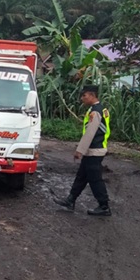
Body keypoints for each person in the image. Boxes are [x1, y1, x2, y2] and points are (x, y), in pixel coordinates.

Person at [53, 85, 112, 216]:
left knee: (95, 179)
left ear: (92, 95)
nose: (82, 98)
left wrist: (80, 150)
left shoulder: (95, 112)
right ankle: (70, 200)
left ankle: (104, 206)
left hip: (94, 151)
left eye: (84, 96)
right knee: (81, 176)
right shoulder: (102, 109)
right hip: (93, 150)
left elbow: (90, 133)